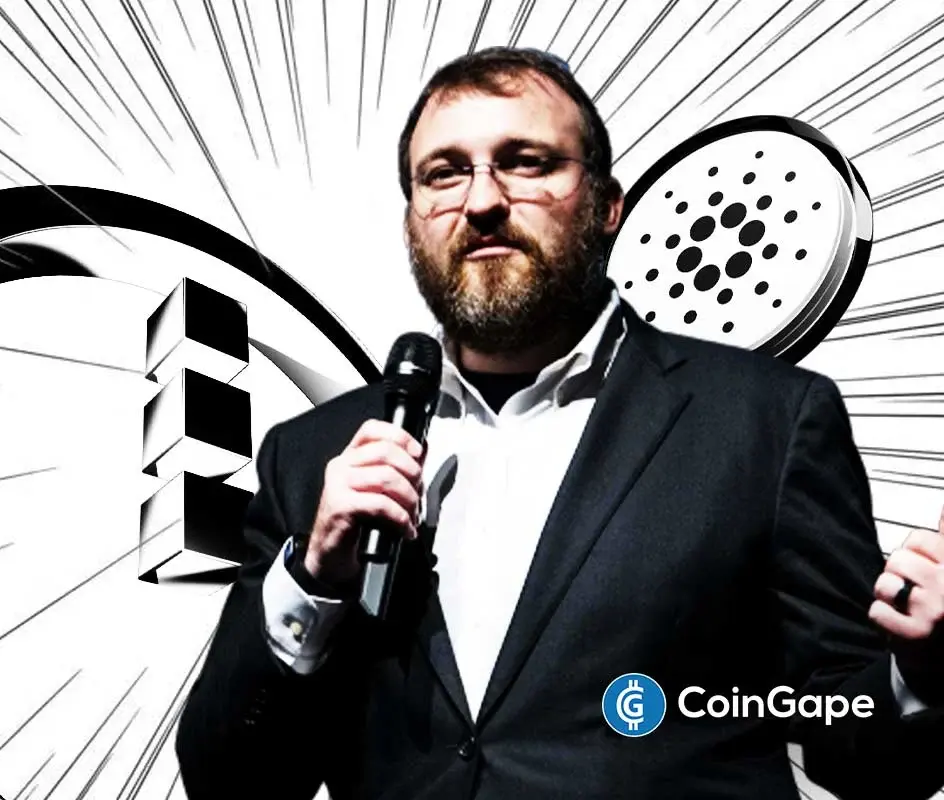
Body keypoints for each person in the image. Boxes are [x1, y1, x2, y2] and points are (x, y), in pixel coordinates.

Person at [175, 46, 944, 799]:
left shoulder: (768, 422)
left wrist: (925, 672)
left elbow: (858, 745)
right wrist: (313, 582)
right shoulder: (310, 457)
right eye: (444, 174)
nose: (482, 202)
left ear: (608, 207)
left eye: (527, 163)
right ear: (412, 222)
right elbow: (229, 783)